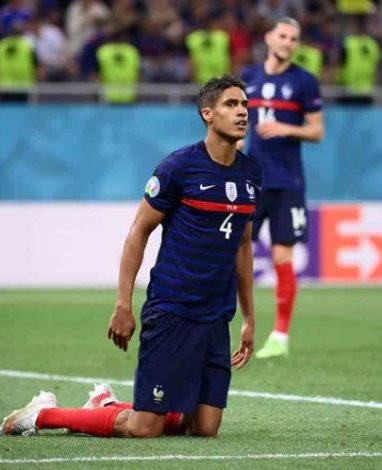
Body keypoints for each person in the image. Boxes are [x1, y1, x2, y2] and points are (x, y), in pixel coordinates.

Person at [0, 74, 262, 439]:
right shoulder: (178, 168)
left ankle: (106, 407)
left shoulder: (251, 173)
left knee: (204, 428)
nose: (242, 112)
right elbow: (138, 233)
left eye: (245, 105)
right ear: (208, 114)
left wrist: (249, 317)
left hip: (216, 316)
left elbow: (244, 246)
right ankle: (44, 415)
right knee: (144, 428)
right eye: (231, 105)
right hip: (172, 309)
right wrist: (123, 303)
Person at [240, 17, 324, 359]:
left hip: (288, 181)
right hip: (250, 180)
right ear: (269, 38)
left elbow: (317, 131)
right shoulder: (248, 77)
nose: (289, 42)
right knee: (235, 252)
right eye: (283, 36)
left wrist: (286, 129)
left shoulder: (304, 81)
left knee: (282, 256)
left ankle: (279, 335)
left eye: (294, 38)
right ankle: (231, 324)